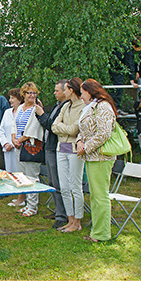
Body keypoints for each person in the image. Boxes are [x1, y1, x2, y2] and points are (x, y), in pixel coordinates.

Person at [76, 79, 117, 243]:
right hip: (91, 156)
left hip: (101, 157)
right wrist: (79, 142)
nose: (80, 95)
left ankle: (102, 234)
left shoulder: (104, 106)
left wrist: (86, 147)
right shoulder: (90, 107)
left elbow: (104, 133)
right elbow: (84, 130)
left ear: (90, 91)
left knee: (100, 196)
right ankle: (96, 231)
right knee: (94, 196)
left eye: (82, 92)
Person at [51, 77, 86, 232]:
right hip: (61, 148)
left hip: (74, 150)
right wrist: (65, 127)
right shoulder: (65, 106)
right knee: (64, 187)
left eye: (65, 89)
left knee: (75, 186)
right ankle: (70, 219)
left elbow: (75, 130)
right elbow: (53, 126)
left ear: (71, 90)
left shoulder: (83, 107)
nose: (63, 92)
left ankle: (77, 221)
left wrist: (62, 127)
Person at [35, 80, 69, 229]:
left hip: (57, 147)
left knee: (58, 182)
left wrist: (41, 114)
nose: (54, 93)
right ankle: (58, 211)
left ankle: (63, 215)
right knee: (52, 181)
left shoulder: (67, 107)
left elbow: (52, 126)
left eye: (57, 91)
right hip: (49, 146)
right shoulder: (58, 106)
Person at [11, 82, 44, 217]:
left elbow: (33, 129)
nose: (32, 95)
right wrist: (14, 138)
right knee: (22, 176)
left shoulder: (36, 109)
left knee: (32, 177)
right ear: (23, 94)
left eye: (34, 93)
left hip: (30, 146)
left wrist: (20, 140)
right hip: (18, 145)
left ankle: (33, 206)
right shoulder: (20, 108)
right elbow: (15, 125)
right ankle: (26, 204)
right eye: (29, 93)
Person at [0, 88, 25, 207]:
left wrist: (14, 143)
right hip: (8, 148)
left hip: (19, 147)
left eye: (12, 98)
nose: (10, 100)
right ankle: (13, 192)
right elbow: (1, 130)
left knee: (20, 173)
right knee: (10, 172)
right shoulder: (7, 112)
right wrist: (5, 143)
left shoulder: (24, 112)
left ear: (19, 99)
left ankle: (22, 197)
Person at [108, 37, 141, 115]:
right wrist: (132, 80)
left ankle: (114, 107)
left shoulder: (124, 45)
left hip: (114, 67)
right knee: (117, 89)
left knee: (115, 89)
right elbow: (129, 64)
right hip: (117, 69)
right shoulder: (128, 50)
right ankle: (115, 108)